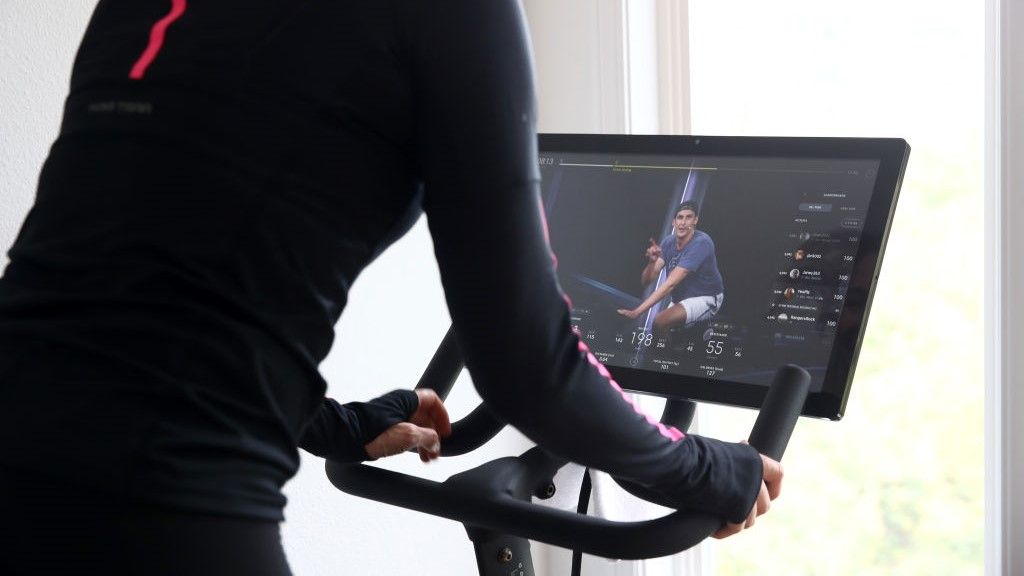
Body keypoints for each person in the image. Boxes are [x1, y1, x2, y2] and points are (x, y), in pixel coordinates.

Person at [0, 1, 781, 573]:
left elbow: (138, 293)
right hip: (160, 503)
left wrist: (343, 428)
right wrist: (712, 470)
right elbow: (528, 365)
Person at [618, 202, 725, 333]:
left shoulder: (702, 243)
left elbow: (670, 284)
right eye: (680, 217)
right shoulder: (668, 242)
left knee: (660, 321)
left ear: (695, 220)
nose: (683, 223)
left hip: (707, 297)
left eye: (688, 217)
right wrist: (652, 262)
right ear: (673, 222)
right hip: (681, 298)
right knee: (661, 330)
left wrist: (636, 312)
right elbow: (646, 281)